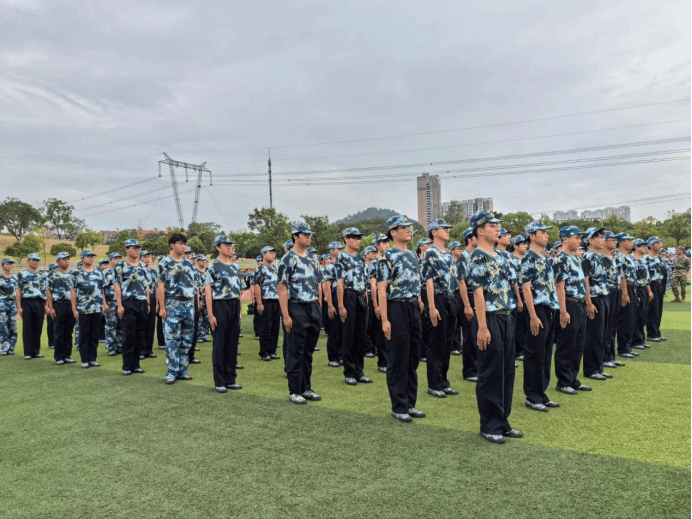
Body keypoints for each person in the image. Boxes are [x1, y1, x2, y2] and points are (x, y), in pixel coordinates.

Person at [466, 211, 521, 444]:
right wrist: (482, 326)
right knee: (490, 372)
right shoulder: (477, 257)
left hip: (507, 316)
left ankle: (502, 420)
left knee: (507, 371)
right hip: (489, 318)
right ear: (480, 230)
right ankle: (489, 425)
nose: (498, 228)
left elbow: (513, 282)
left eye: (498, 224)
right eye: (492, 225)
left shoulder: (503, 255)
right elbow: (478, 293)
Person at [377, 215, 425, 422]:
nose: (408, 230)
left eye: (409, 227)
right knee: (398, 357)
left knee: (413, 356)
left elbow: (417, 281)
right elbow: (382, 289)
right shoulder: (386, 257)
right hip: (396, 307)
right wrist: (385, 319)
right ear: (393, 232)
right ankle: (399, 406)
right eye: (403, 227)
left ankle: (410, 403)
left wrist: (419, 300)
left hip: (413, 307)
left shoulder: (413, 255)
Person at [277, 222, 323, 405]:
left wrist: (318, 308)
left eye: (309, 234)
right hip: (296, 306)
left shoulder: (312, 259)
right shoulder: (288, 259)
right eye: (305, 234)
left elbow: (318, 283)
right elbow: (282, 287)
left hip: (312, 307)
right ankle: (295, 390)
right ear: (295, 236)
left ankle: (306, 387)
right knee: (295, 351)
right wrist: (286, 315)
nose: (308, 237)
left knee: (308, 352)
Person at [520, 222, 560, 412]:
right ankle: (532, 396)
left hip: (548, 309)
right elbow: (526, 288)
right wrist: (533, 316)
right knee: (534, 353)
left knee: (545, 353)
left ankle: (541, 392)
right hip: (536, 309)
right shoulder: (529, 257)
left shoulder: (544, 258)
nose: (546, 235)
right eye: (542, 232)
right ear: (532, 236)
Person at [421, 219, 457, 398]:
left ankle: (444, 382)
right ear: (434, 232)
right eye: (444, 228)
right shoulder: (431, 253)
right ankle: (434, 384)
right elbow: (429, 281)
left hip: (450, 298)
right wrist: (432, 306)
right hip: (438, 298)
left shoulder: (448, 253)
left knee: (447, 342)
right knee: (436, 342)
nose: (447, 231)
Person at [553, 226, 591, 395]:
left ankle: (573, 378)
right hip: (569, 303)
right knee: (566, 344)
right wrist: (563, 311)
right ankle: (563, 381)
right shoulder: (560, 258)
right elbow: (559, 287)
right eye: (576, 237)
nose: (579, 241)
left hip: (580, 303)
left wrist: (587, 302)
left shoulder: (575, 258)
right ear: (565, 239)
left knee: (578, 344)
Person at [205, 235, 243, 393]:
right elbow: (208, 291)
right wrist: (210, 314)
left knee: (232, 343)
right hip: (220, 305)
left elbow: (239, 291)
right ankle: (220, 381)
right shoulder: (213, 266)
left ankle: (230, 379)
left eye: (231, 245)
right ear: (218, 247)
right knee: (220, 344)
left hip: (234, 304)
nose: (229, 247)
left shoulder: (235, 267)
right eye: (226, 245)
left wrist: (240, 311)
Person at [157, 234, 196, 385]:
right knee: (172, 340)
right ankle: (172, 372)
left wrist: (193, 305)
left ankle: (183, 371)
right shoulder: (165, 263)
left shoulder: (189, 264)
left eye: (185, 244)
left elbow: (192, 286)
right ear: (172, 245)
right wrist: (162, 307)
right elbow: (160, 286)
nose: (183, 246)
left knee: (187, 340)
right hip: (172, 304)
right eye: (180, 243)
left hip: (188, 305)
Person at [335, 227, 372, 386]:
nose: (358, 240)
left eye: (359, 237)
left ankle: (359, 371)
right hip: (349, 296)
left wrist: (366, 299)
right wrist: (341, 305)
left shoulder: (359, 258)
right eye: (354, 237)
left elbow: (364, 280)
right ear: (346, 239)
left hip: (361, 296)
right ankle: (349, 372)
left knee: (360, 336)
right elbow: (340, 282)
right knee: (349, 336)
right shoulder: (341, 257)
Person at [114, 240, 150, 375]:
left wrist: (148, 302)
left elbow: (146, 285)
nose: (137, 250)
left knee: (140, 334)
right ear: (126, 249)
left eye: (138, 248)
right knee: (129, 335)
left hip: (141, 302)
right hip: (128, 302)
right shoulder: (120, 266)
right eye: (134, 248)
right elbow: (117, 285)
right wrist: (119, 305)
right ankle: (127, 366)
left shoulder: (142, 265)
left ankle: (136, 365)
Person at [581, 228, 612, 382]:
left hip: (604, 295)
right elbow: (585, 280)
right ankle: (591, 369)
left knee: (602, 334)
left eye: (603, 237)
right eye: (599, 237)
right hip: (594, 298)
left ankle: (599, 367)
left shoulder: (599, 257)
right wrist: (588, 302)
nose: (603, 239)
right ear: (590, 240)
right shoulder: (587, 257)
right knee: (594, 335)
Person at [71, 250, 107, 368]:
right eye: (88, 256)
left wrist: (104, 304)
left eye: (92, 256)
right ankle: (85, 360)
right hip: (83, 308)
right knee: (84, 334)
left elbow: (102, 290)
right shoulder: (76, 273)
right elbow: (73, 291)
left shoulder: (98, 272)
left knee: (95, 334)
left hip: (97, 308)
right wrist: (74, 309)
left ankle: (92, 359)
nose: (91, 258)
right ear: (82, 258)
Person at [45, 252, 76, 365]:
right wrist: (50, 307)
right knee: (59, 331)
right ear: (57, 261)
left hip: (70, 304)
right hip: (58, 304)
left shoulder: (73, 274)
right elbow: (48, 291)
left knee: (69, 331)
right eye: (63, 259)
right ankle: (59, 357)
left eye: (68, 259)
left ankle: (67, 355)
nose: (66, 261)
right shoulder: (52, 274)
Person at [601, 231, 626, 370]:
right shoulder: (600, 258)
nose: (615, 242)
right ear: (604, 241)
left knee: (613, 325)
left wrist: (623, 293)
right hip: (607, 291)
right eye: (612, 240)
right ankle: (605, 357)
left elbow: (621, 276)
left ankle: (611, 356)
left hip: (616, 290)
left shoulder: (614, 257)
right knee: (607, 325)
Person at [16, 252, 48, 360]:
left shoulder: (44, 274)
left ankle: (36, 351)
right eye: (33, 260)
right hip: (27, 301)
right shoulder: (22, 274)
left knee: (38, 326)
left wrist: (47, 305)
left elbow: (46, 290)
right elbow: (18, 290)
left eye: (37, 260)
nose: (35, 262)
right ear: (28, 261)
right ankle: (28, 352)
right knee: (27, 327)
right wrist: (19, 307)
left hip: (39, 301)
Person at [255, 246, 281, 361]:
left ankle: (272, 351)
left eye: (274, 253)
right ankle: (264, 352)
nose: (273, 255)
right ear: (264, 254)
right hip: (266, 300)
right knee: (265, 327)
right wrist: (259, 303)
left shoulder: (276, 268)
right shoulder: (260, 268)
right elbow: (256, 285)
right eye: (270, 253)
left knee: (275, 326)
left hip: (276, 300)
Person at [615, 233, 638, 359]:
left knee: (631, 319)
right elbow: (622, 276)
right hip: (626, 287)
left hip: (632, 287)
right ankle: (623, 348)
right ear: (622, 242)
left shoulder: (627, 256)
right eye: (629, 240)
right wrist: (625, 293)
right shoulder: (620, 256)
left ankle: (627, 346)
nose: (631, 243)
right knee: (625, 320)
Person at [459, 228, 478, 382]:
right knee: (470, 336)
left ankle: (478, 367)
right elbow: (461, 282)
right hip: (469, 297)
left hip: (478, 297)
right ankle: (470, 371)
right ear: (470, 239)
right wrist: (467, 305)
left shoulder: (477, 255)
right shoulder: (464, 257)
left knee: (478, 333)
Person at [322, 241, 344, 368]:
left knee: (343, 329)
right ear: (331, 251)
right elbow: (326, 286)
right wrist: (330, 305)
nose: (340, 251)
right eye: (338, 249)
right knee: (334, 330)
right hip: (334, 297)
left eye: (341, 249)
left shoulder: (343, 265)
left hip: (345, 297)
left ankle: (340, 355)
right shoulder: (330, 267)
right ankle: (333, 357)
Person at [371, 234, 390, 373]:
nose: (386, 245)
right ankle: (383, 362)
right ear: (377, 246)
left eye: (387, 242)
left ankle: (391, 360)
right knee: (381, 332)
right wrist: (376, 305)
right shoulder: (374, 263)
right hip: (381, 299)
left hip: (392, 300)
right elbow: (374, 286)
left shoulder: (390, 259)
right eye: (383, 243)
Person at [632, 239, 654, 350]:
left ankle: (641, 339)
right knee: (638, 316)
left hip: (644, 288)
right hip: (637, 288)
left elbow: (646, 278)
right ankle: (636, 341)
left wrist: (649, 290)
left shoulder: (643, 260)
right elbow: (633, 279)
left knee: (644, 315)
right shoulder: (632, 260)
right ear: (636, 247)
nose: (644, 248)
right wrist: (636, 294)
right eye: (642, 246)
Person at [645, 237, 666, 342]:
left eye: (660, 243)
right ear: (651, 245)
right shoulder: (646, 258)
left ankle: (656, 332)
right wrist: (649, 290)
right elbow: (645, 276)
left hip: (659, 284)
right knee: (652, 310)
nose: (660, 245)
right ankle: (651, 334)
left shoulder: (659, 257)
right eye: (657, 243)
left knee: (658, 310)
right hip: (651, 285)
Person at [510, 235, 528, 361]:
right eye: (522, 244)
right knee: (518, 324)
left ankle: (524, 348)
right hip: (519, 293)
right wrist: (519, 299)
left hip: (528, 292)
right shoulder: (512, 260)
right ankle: (517, 351)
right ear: (515, 246)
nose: (525, 246)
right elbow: (514, 281)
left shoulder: (526, 259)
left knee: (526, 323)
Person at [103, 253, 123, 356]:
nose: (118, 260)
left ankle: (120, 345)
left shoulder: (122, 271)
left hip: (121, 302)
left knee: (121, 325)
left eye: (120, 258)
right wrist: (104, 304)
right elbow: (101, 289)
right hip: (110, 302)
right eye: (116, 259)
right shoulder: (105, 273)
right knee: (111, 326)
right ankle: (111, 347)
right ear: (110, 260)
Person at [140, 250, 158, 358]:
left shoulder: (153, 272)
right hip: (141, 298)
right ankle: (141, 350)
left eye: (148, 257)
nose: (147, 259)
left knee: (151, 325)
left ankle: (149, 349)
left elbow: (157, 287)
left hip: (152, 297)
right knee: (142, 325)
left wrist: (157, 303)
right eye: (145, 257)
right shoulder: (138, 271)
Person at [416, 237, 432, 363]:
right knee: (422, 323)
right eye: (427, 244)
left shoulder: (430, 260)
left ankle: (429, 351)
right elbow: (416, 281)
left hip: (431, 291)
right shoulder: (417, 261)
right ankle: (422, 352)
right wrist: (419, 299)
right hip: (421, 291)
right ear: (421, 247)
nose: (430, 245)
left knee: (430, 322)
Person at [0, 258, 18, 356]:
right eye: (7, 264)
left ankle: (11, 347)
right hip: (1, 304)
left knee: (13, 326)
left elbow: (18, 292)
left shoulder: (15, 278)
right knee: (3, 326)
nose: (9, 266)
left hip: (12, 303)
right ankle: (4, 347)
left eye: (10, 264)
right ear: (2, 266)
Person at [47, 262, 59, 349]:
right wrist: (47, 306)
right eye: (53, 268)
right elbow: (46, 293)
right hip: (50, 303)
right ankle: (51, 342)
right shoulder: (48, 278)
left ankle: (57, 341)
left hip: (58, 303)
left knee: (59, 324)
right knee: (51, 324)